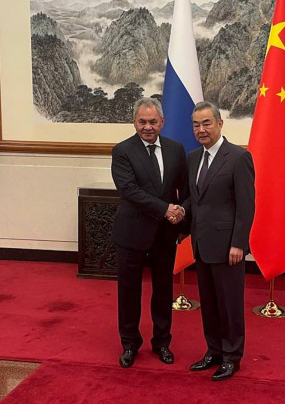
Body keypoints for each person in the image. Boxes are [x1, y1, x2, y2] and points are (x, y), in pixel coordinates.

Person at [110, 97, 188, 368]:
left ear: (162, 122)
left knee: (163, 291)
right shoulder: (122, 151)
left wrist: (181, 218)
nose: (147, 127)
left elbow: (185, 191)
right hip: (132, 233)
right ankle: (130, 344)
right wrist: (165, 208)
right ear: (134, 122)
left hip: (165, 235)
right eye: (142, 121)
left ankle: (162, 342)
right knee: (129, 292)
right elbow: (129, 190)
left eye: (153, 121)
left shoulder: (177, 150)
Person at [181, 101, 255, 381]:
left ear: (220, 124)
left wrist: (239, 243)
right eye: (196, 125)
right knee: (209, 303)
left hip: (228, 248)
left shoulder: (238, 157)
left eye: (206, 123)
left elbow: (246, 206)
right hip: (201, 245)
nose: (201, 130)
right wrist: (179, 214)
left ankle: (232, 357)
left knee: (230, 304)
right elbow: (196, 200)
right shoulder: (192, 159)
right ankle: (213, 351)